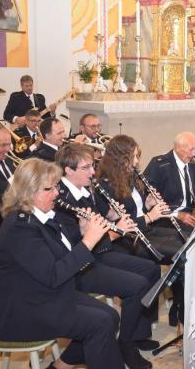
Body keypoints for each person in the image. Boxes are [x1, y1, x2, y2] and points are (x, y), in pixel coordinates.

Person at [0, 158, 125, 369]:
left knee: (110, 315)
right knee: (100, 323)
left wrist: (81, 232)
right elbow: (54, 274)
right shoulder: (19, 227)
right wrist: (89, 241)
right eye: (48, 189)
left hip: (45, 294)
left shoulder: (43, 215)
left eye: (56, 187)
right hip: (22, 310)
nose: (56, 193)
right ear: (27, 192)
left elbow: (61, 254)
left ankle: (61, 364)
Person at [55, 144, 160, 363]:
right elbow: (76, 246)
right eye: (86, 168)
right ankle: (125, 344)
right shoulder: (62, 200)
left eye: (92, 166)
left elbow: (95, 224)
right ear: (68, 170)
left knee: (150, 269)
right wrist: (114, 232)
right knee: (137, 285)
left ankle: (136, 333)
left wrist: (111, 218)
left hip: (98, 254)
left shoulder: (84, 189)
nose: (93, 172)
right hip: (79, 267)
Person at [99, 135, 187, 326]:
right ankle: (179, 313)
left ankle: (179, 307)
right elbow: (123, 226)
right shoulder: (106, 185)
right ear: (119, 158)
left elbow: (136, 209)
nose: (138, 162)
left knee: (188, 241)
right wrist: (150, 216)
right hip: (129, 240)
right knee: (182, 254)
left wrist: (148, 205)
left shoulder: (131, 177)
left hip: (145, 230)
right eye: (133, 157)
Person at [144, 132, 195, 226]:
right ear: (179, 148)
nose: (194, 154)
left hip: (191, 215)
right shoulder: (158, 165)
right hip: (168, 220)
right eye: (191, 150)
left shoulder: (194, 165)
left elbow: (194, 191)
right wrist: (177, 215)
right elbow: (148, 199)